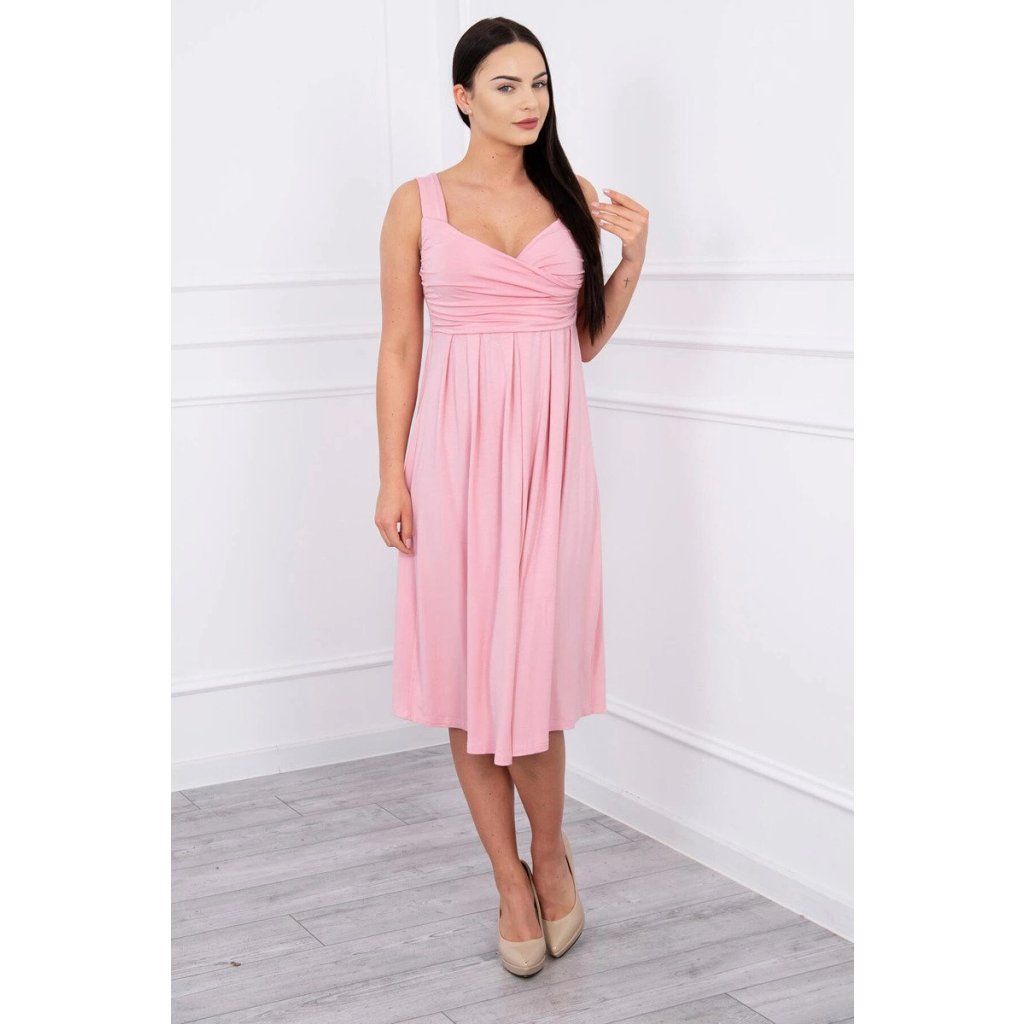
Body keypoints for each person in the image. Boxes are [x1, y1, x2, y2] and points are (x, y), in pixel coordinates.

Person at [374, 16, 648, 976]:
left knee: (532, 675)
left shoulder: (571, 197)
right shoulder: (417, 203)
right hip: (452, 460)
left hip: (550, 460)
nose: (530, 101)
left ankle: (554, 857)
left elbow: (581, 343)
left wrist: (631, 262)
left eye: (540, 83)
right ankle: (509, 882)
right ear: (462, 98)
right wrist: (391, 472)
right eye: (506, 85)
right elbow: (400, 345)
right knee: (466, 672)